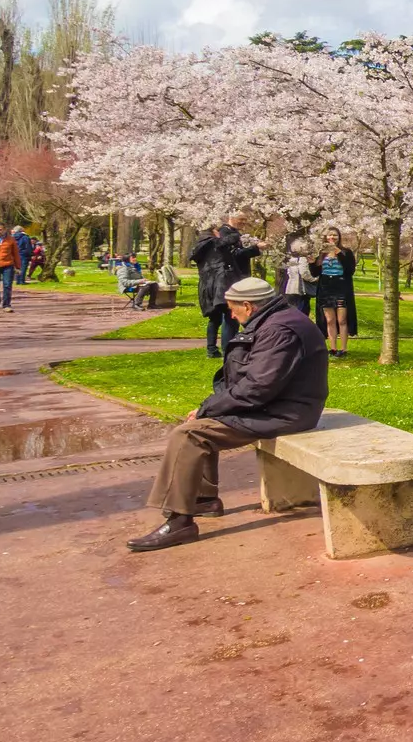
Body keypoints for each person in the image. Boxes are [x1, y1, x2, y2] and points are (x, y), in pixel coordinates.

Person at [127, 276, 328, 552]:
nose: (231, 314)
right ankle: (202, 500)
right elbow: (249, 380)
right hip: (276, 406)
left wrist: (207, 408)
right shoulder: (274, 321)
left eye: (234, 309)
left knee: (189, 435)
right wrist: (209, 408)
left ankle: (179, 522)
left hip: (286, 412)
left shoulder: (280, 330)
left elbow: (257, 388)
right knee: (201, 425)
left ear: (249, 305)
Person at [189, 219, 261, 358]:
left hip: (208, 285)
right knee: (230, 315)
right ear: (214, 232)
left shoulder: (202, 247)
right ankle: (228, 348)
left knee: (214, 318)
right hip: (221, 284)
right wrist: (240, 238)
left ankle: (211, 349)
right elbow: (226, 244)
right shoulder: (215, 244)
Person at [313, 227, 359, 358]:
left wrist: (338, 253)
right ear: (325, 237)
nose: (332, 238)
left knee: (342, 319)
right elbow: (315, 273)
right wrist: (311, 263)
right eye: (329, 235)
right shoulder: (321, 253)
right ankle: (332, 348)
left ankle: (343, 349)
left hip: (341, 289)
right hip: (325, 289)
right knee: (329, 320)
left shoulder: (346, 252)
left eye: (335, 235)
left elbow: (350, 270)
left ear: (339, 237)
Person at [283, 238, 318, 322]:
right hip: (301, 289)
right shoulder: (303, 259)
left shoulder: (292, 259)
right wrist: (315, 279)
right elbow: (304, 273)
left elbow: (289, 272)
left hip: (291, 288)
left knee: (293, 309)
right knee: (302, 310)